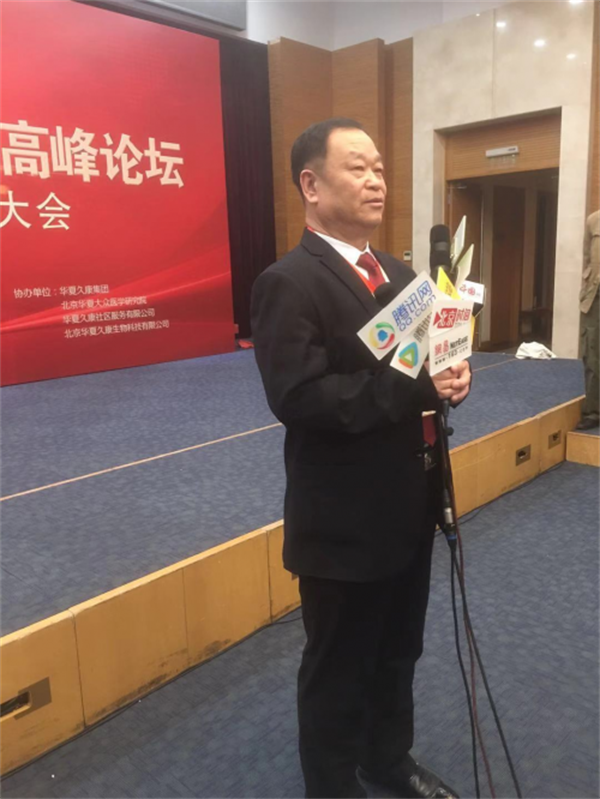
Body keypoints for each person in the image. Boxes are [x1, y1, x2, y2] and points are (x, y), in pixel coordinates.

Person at [251, 118, 471, 799]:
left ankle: (388, 760)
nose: (377, 180)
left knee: (399, 650)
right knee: (338, 668)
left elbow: (425, 368)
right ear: (311, 185)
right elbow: (301, 398)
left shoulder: (403, 277)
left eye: (379, 167)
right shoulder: (289, 282)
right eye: (358, 168)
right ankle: (333, 785)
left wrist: (452, 377)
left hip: (412, 502)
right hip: (343, 520)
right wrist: (416, 385)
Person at [577, 208, 600, 431]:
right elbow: (587, 259)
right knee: (591, 355)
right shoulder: (594, 220)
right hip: (595, 298)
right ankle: (593, 411)